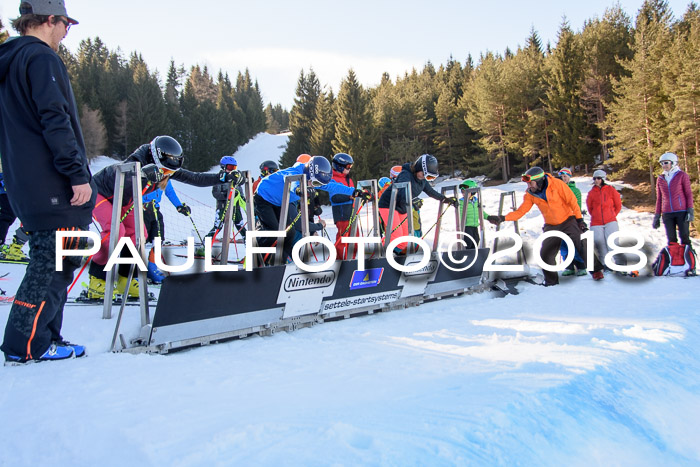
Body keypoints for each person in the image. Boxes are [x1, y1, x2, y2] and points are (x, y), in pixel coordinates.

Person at [0, 0, 94, 364]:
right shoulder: (40, 58)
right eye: (65, 25)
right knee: (52, 262)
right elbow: (55, 118)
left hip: (26, 182)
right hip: (51, 181)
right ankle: (29, 345)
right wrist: (75, 174)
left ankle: (46, 336)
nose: (67, 32)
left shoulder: (10, 60)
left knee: (57, 259)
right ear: (48, 20)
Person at [87, 135, 240, 299]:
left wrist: (222, 177)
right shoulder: (137, 161)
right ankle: (97, 279)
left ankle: (126, 279)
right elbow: (123, 176)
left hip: (125, 201)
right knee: (116, 231)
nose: (167, 174)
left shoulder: (165, 168)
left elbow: (194, 177)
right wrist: (142, 174)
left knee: (139, 235)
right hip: (101, 193)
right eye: (165, 171)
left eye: (170, 172)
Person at [488, 167, 604, 286]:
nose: (528, 186)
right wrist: (502, 218)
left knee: (581, 244)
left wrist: (579, 220)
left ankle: (596, 271)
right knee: (545, 254)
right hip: (551, 225)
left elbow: (572, 201)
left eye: (530, 183)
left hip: (568, 220)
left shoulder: (557, 184)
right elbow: (521, 211)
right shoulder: (530, 194)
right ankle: (551, 281)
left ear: (538, 180)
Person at [254, 156, 364, 265]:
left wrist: (354, 192)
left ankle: (282, 263)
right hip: (264, 197)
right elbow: (291, 181)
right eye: (315, 183)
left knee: (289, 232)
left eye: (318, 184)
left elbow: (332, 186)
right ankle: (257, 260)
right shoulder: (296, 172)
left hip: (281, 201)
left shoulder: (314, 178)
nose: (316, 186)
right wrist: (299, 189)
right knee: (274, 231)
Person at [378, 154, 458, 253]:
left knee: (404, 240)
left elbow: (431, 192)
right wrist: (412, 200)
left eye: (429, 177)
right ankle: (381, 253)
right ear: (419, 168)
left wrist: (445, 200)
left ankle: (394, 258)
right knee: (396, 235)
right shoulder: (405, 175)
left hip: (402, 207)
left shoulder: (422, 180)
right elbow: (402, 192)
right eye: (426, 175)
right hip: (388, 205)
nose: (425, 178)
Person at [142, 180, 189, 284]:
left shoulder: (165, 177)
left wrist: (179, 206)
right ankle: (135, 270)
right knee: (140, 240)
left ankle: (152, 267)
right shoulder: (146, 173)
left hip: (155, 210)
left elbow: (170, 192)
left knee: (158, 239)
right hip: (141, 209)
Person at [653, 152, 694, 248]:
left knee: (684, 238)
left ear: (673, 162)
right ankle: (674, 261)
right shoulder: (660, 179)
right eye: (662, 163)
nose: (664, 165)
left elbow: (688, 194)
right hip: (667, 213)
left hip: (681, 211)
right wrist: (657, 215)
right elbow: (659, 198)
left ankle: (689, 260)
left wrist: (690, 210)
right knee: (671, 240)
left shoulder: (682, 175)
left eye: (666, 162)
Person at [586, 169, 623, 270]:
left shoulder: (611, 190)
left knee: (613, 242)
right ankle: (604, 264)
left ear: (603, 179)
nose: (596, 180)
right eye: (595, 178)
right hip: (596, 223)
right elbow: (590, 208)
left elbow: (618, 204)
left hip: (610, 221)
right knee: (600, 244)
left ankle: (620, 264)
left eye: (598, 178)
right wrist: (596, 215)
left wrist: (611, 215)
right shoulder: (591, 193)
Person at [207, 155, 246, 241]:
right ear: (223, 167)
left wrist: (240, 198)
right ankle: (205, 245)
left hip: (235, 208)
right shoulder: (220, 178)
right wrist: (226, 195)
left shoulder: (236, 179)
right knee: (218, 227)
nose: (232, 170)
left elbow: (241, 193)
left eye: (234, 167)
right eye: (230, 167)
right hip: (222, 207)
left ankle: (250, 246)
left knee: (241, 227)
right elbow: (215, 193)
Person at [557, 168, 586, 276]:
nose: (563, 178)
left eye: (565, 176)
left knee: (575, 242)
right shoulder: (556, 190)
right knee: (563, 244)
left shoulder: (575, 190)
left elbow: (576, 205)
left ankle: (581, 266)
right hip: (559, 220)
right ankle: (569, 266)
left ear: (569, 177)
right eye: (561, 176)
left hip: (572, 219)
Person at [330, 153, 355, 259]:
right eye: (348, 166)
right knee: (343, 238)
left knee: (355, 237)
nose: (349, 169)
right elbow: (334, 197)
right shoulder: (332, 179)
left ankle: (351, 260)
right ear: (339, 166)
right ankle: (339, 260)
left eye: (351, 166)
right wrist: (349, 197)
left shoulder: (348, 179)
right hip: (341, 213)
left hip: (352, 212)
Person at [458, 179, 491, 249]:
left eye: (465, 191)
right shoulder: (461, 202)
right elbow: (459, 213)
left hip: (474, 225)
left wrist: (489, 217)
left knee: (476, 240)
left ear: (473, 192)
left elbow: (480, 212)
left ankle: (473, 255)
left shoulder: (476, 201)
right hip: (466, 226)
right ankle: (466, 254)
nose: (463, 193)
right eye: (462, 191)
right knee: (468, 241)